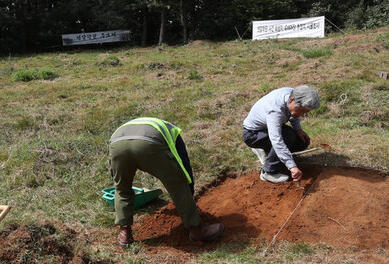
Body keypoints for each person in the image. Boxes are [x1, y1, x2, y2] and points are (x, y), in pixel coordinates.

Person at [109, 117, 225, 247]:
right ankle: (197, 229)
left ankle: (125, 234)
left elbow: (117, 177)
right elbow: (183, 166)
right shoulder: (173, 131)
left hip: (117, 143)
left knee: (122, 188)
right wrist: (188, 191)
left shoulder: (131, 125)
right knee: (177, 183)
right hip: (148, 144)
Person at [242, 85, 320, 183]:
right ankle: (268, 172)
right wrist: (292, 166)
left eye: (305, 112)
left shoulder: (293, 94)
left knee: (301, 142)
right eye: (301, 111)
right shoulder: (275, 111)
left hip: (267, 129)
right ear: (292, 100)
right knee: (287, 136)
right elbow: (277, 141)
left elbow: (293, 114)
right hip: (253, 135)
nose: (302, 115)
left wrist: (298, 130)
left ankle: (269, 152)